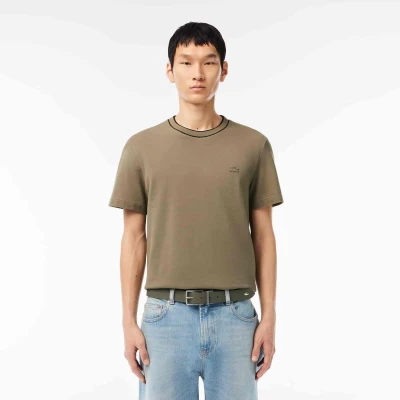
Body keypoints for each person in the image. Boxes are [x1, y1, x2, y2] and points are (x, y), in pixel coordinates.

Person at [108, 21, 284, 400]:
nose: (198, 73)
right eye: (186, 62)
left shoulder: (253, 145)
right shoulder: (141, 148)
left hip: (236, 317)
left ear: (224, 69)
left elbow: (264, 236)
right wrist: (127, 320)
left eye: (208, 62)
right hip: (165, 318)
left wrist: (269, 316)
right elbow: (133, 239)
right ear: (170, 70)